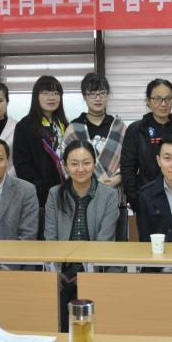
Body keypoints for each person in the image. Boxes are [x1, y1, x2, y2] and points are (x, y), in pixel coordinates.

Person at [44, 140, 119, 330]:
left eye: (86, 163)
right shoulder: (54, 194)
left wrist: (86, 275)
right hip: (62, 274)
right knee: (55, 316)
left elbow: (104, 241)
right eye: (74, 163)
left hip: (96, 271)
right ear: (65, 166)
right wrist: (58, 274)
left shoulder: (109, 195)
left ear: (94, 163)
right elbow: (50, 239)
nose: (80, 169)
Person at [61, 73, 127, 237]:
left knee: (113, 245)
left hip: (114, 195)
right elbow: (64, 163)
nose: (98, 98)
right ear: (84, 96)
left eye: (102, 93)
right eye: (92, 94)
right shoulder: (74, 128)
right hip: (82, 198)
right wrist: (91, 182)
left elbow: (130, 161)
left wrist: (118, 179)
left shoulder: (119, 127)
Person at [121, 78, 172, 213]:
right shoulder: (136, 129)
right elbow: (128, 168)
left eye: (168, 99)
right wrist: (136, 200)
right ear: (148, 101)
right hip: (146, 198)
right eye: (157, 99)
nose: (163, 104)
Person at [13, 75, 71, 210]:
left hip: (66, 192)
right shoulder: (25, 126)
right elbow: (22, 165)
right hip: (39, 196)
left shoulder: (65, 125)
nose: (51, 98)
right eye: (45, 93)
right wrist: (41, 189)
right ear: (36, 97)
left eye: (56, 93)